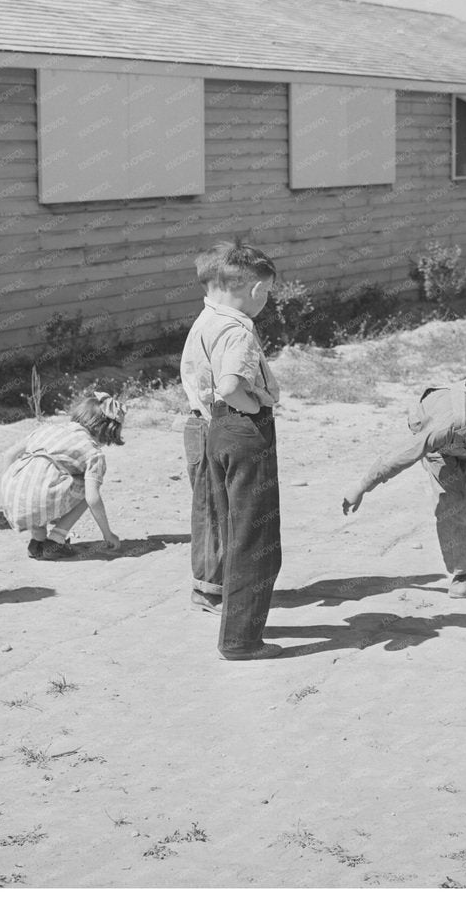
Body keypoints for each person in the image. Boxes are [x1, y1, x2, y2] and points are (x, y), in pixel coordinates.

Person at [342, 378, 466, 598]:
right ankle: (462, 571)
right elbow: (401, 456)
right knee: (454, 504)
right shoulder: (441, 429)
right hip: (439, 442)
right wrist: (362, 486)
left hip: (465, 443)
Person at [187, 240, 284, 661]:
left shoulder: (205, 318)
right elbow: (230, 385)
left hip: (214, 428)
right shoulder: (239, 327)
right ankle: (242, 641)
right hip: (243, 428)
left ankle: (234, 624)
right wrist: (256, 404)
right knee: (257, 538)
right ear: (258, 290)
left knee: (232, 528)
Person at [0, 392, 125, 559]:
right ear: (108, 431)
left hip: (13, 497)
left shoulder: (47, 429)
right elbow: (92, 498)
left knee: (37, 478)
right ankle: (56, 541)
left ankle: (37, 542)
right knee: (86, 489)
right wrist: (107, 534)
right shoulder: (93, 453)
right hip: (40, 499)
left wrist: (8, 489)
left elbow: (9, 455)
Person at [178, 244, 227, 615]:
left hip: (208, 423)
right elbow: (212, 387)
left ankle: (219, 581)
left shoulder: (214, 322)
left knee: (219, 506)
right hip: (207, 424)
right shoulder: (212, 326)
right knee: (210, 508)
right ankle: (207, 589)